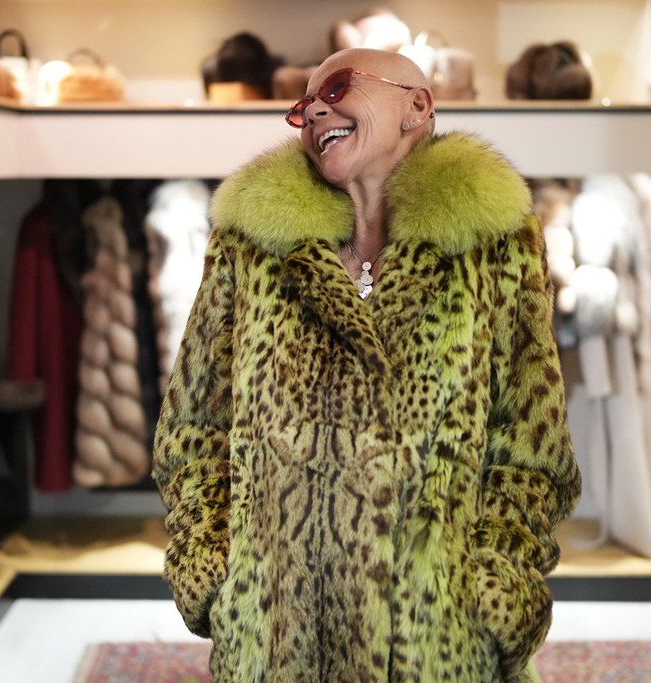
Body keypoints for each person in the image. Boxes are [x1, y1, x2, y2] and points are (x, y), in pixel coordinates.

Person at [153, 48, 581, 683]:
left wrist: (496, 589)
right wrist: (215, 570)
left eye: (337, 86)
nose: (314, 109)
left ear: (417, 106)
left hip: (437, 645)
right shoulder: (252, 247)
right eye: (304, 105)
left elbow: (530, 444)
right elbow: (192, 427)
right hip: (274, 645)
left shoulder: (496, 246)